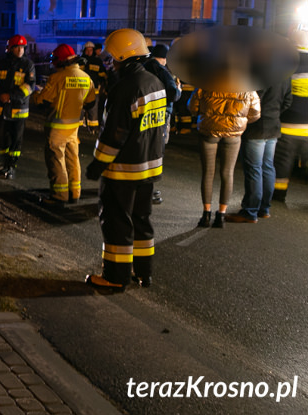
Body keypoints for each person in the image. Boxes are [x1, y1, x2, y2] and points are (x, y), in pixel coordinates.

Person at [85, 28, 166, 292]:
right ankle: (144, 273)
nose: (111, 62)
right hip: (149, 169)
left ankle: (115, 277)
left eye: (113, 57)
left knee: (117, 223)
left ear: (123, 55)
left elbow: (114, 134)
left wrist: (98, 164)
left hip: (123, 171)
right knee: (141, 221)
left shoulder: (126, 88)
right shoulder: (155, 83)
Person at [31, 43, 96, 205]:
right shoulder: (86, 77)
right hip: (74, 127)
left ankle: (59, 196)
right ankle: (74, 193)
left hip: (57, 128)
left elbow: (41, 101)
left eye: (54, 61)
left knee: (56, 161)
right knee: (73, 160)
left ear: (61, 61)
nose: (53, 64)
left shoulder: (57, 78)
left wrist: (36, 93)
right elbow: (90, 102)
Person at [188, 87, 260, 228]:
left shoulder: (206, 83)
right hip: (233, 134)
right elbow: (255, 114)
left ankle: (206, 214)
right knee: (227, 173)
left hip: (209, 130)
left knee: (208, 173)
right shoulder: (247, 87)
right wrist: (239, 120)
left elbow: (193, 107)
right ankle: (221, 215)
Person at [225, 80, 292, 223]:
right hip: (273, 126)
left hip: (256, 128)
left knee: (254, 169)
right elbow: (287, 101)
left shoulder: (260, 74)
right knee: (267, 167)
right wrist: (273, 114)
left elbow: (251, 101)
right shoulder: (285, 75)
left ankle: (250, 211)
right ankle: (264, 209)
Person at [0, 35, 35, 179]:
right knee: (1, 138)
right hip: (2, 109)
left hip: (18, 110)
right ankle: (4, 165)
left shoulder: (28, 65)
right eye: (17, 47)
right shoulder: (1, 64)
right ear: (10, 48)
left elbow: (30, 86)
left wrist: (11, 96)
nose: (20, 50)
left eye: (22, 47)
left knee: (15, 141)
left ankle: (11, 167)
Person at [272, 27, 308, 204]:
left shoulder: (287, 64)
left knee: (283, 162)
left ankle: (279, 196)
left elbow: (279, 94)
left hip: (288, 124)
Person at [143, 43, 181, 204]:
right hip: (160, 116)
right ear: (164, 58)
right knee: (156, 153)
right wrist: (178, 90)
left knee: (145, 150)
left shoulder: (143, 68)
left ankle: (142, 187)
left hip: (145, 115)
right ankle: (148, 190)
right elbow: (172, 94)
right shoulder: (163, 72)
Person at [79, 40, 108, 132]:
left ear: (93, 50)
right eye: (87, 50)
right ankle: (78, 126)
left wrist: (104, 83)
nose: (89, 52)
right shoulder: (80, 61)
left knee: (93, 109)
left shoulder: (97, 61)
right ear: (84, 50)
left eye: (91, 50)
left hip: (94, 89)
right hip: (81, 89)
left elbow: (103, 74)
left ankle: (93, 128)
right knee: (80, 108)